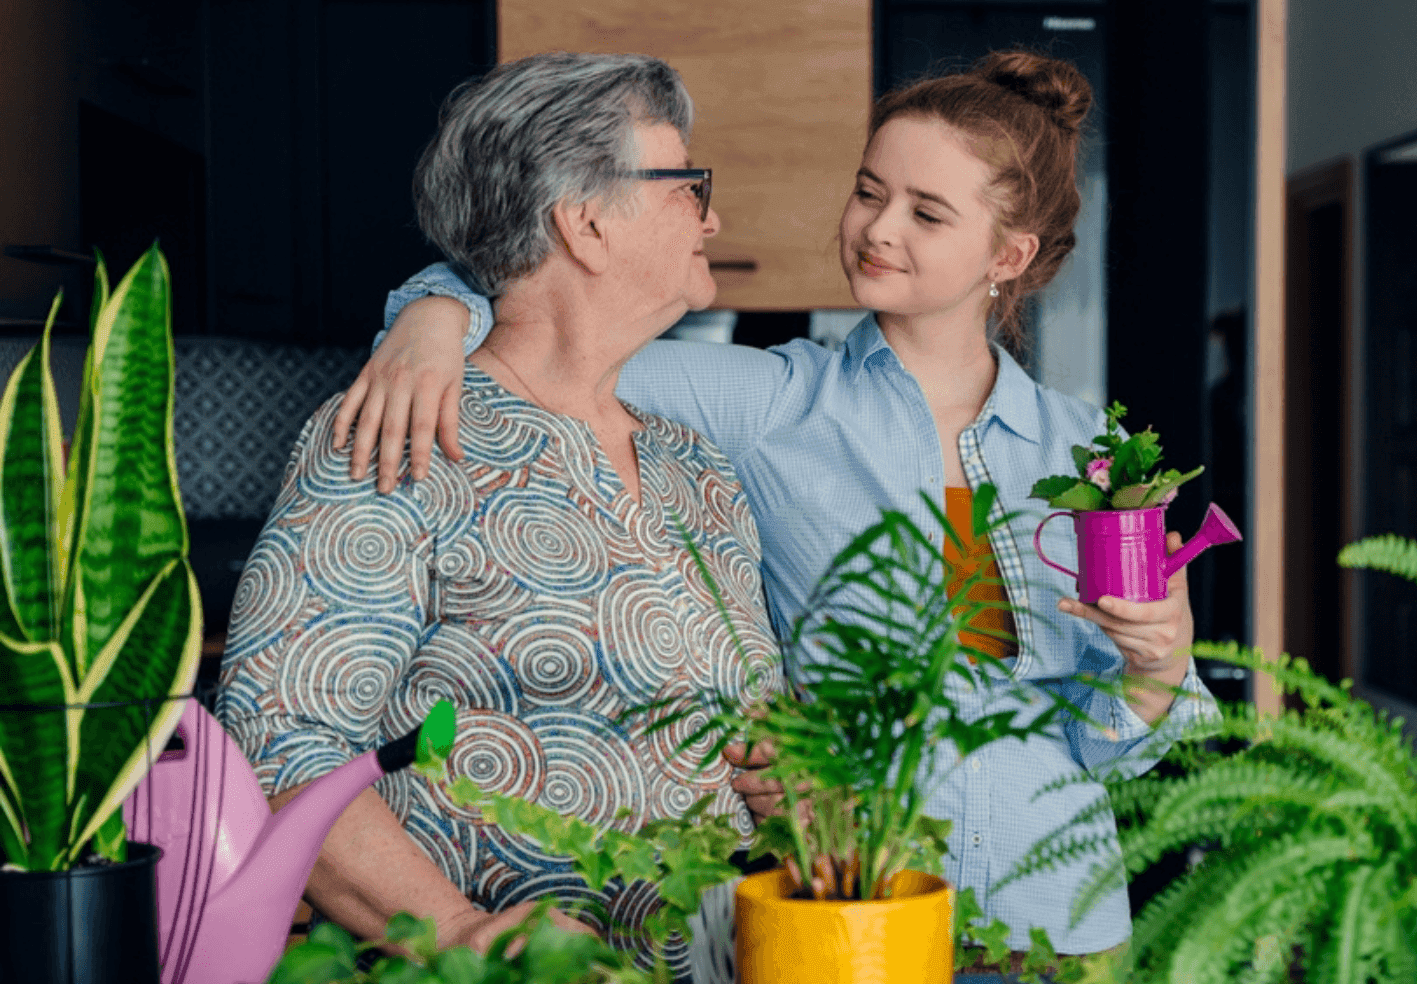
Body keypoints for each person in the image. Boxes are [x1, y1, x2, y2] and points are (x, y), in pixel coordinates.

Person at [342, 51, 1220, 962]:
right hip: (851, 919)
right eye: (869, 191)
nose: (878, 229)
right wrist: (429, 315)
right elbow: (543, 318)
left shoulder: (1089, 453)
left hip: (1063, 923)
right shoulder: (766, 402)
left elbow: (1106, 744)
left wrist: (1158, 664)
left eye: (926, 212)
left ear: (1009, 255)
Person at [215, 52, 780, 978]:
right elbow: (277, 739)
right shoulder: (405, 430)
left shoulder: (696, 467)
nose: (712, 216)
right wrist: (465, 934)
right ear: (587, 222)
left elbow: (754, 734)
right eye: (688, 185)